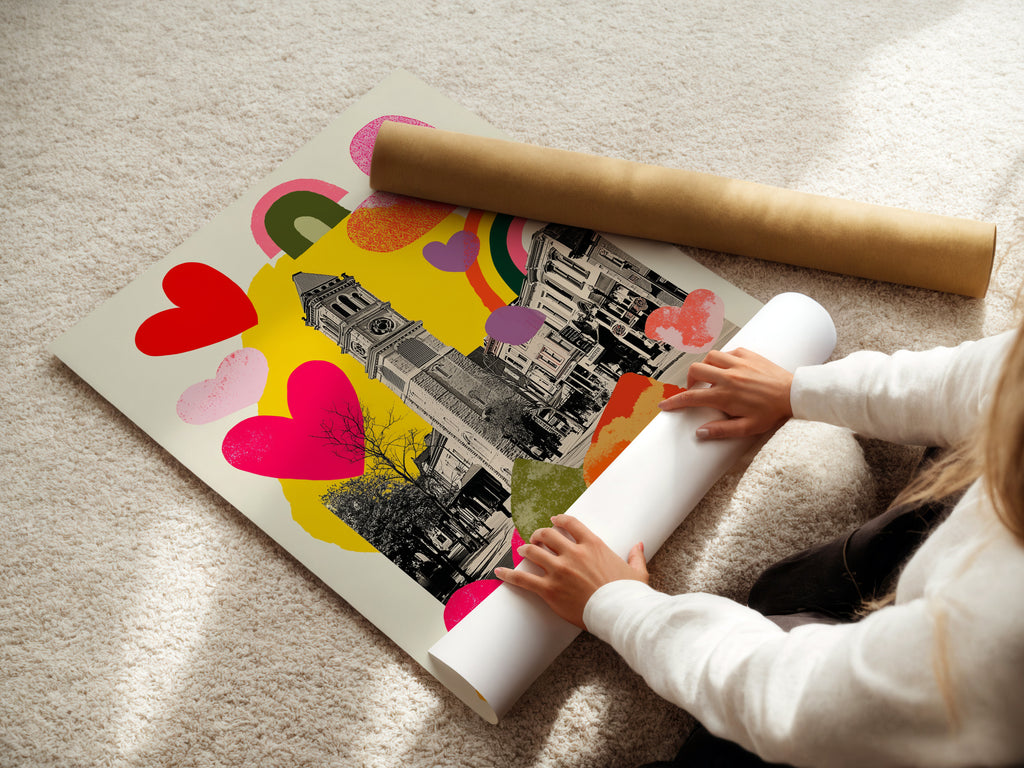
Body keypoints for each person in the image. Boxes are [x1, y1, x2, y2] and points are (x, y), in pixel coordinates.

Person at [494, 325, 1024, 767]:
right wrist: (797, 390)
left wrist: (618, 605)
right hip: (955, 595)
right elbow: (983, 378)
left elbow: (795, 701)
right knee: (788, 591)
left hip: (941, 717)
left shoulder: (997, 638)